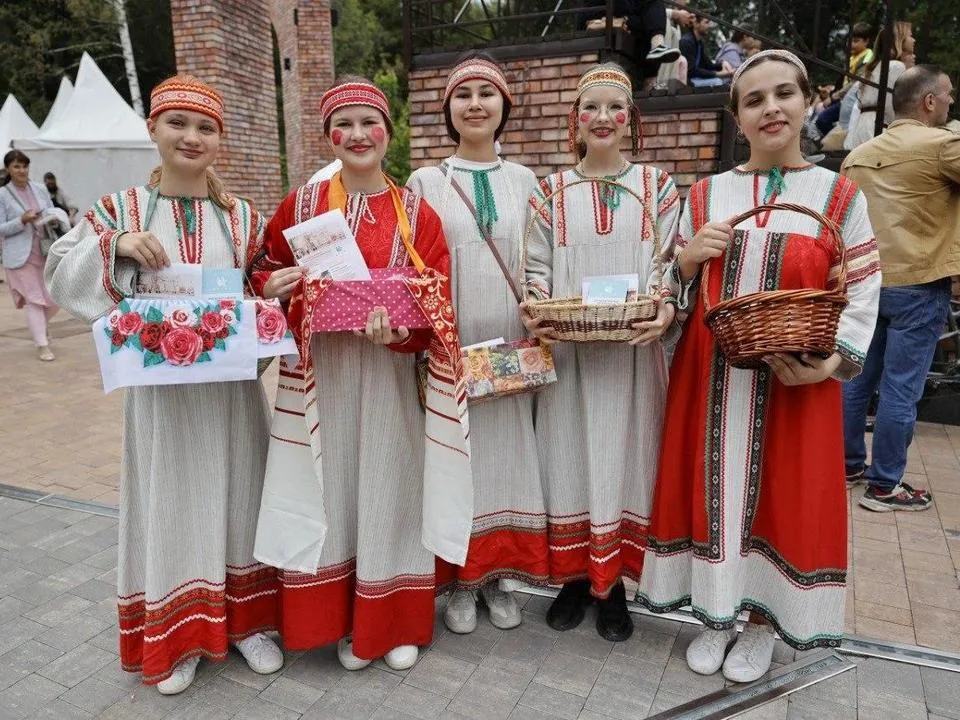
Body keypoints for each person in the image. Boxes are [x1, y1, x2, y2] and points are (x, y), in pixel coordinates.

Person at [637, 50, 880, 682]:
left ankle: (763, 625)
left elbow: (862, 290)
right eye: (754, 100)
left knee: (783, 498)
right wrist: (686, 260)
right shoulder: (703, 195)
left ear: (806, 101)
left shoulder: (839, 196)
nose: (771, 108)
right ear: (737, 117)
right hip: (711, 379)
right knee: (714, 491)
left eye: (783, 94)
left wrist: (830, 364)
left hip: (796, 383)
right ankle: (716, 615)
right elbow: (664, 292)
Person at [44, 75, 284, 694]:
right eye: (177, 123)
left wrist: (274, 291)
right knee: (171, 503)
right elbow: (59, 273)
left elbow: (261, 291)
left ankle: (248, 623)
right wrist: (117, 245)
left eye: (206, 127)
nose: (191, 136)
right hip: (160, 403)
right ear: (152, 129)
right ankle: (179, 635)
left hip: (231, 399)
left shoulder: (244, 219)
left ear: (220, 139)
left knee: (241, 495)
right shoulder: (119, 211)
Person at [250, 76, 471, 672]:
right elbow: (263, 269)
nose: (357, 135)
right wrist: (271, 286)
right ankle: (335, 622)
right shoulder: (300, 207)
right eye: (342, 125)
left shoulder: (418, 214)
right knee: (330, 491)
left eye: (369, 122)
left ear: (387, 132)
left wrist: (403, 335)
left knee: (390, 487)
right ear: (328, 136)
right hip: (321, 379)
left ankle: (391, 621)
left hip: (387, 380)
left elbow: (439, 299)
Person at [524, 63, 681, 642]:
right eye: (591, 107)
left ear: (631, 120)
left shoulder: (657, 187)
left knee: (626, 458)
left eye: (616, 107)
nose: (603, 118)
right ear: (575, 120)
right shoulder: (550, 192)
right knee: (567, 456)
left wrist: (663, 305)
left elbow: (669, 262)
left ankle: (613, 588)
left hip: (632, 355)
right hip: (570, 354)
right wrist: (538, 303)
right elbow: (535, 265)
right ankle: (572, 578)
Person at [405, 53, 550, 634]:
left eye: (486, 93)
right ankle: (462, 583)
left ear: (504, 106)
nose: (474, 104)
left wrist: (539, 305)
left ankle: (499, 576)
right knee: (455, 462)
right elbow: (414, 266)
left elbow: (538, 258)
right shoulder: (424, 182)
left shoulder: (526, 181)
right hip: (449, 349)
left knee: (507, 460)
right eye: (462, 95)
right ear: (447, 109)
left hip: (511, 349)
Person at [842, 65, 958, 512]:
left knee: (855, 380)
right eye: (948, 95)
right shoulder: (943, 146)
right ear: (929, 102)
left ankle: (846, 465)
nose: (951, 102)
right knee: (900, 390)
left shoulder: (859, 155)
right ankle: (885, 485)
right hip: (919, 283)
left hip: (867, 282)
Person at [1, 150, 61, 361]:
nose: (21, 170)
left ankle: (40, 328)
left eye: (24, 166)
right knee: (34, 300)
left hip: (45, 250)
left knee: (55, 299)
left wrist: (54, 218)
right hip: (20, 257)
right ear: (8, 169)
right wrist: (22, 220)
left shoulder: (40, 188)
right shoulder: (2, 194)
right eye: (16, 166)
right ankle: (42, 345)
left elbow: (53, 211)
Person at [844, 22, 912, 150]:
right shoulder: (896, 66)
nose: (913, 40)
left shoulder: (875, 67)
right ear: (900, 40)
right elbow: (889, 106)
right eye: (910, 35)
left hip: (861, 127)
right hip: (877, 129)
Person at [814, 21, 874, 137]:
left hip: (853, 99)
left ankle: (837, 140)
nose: (851, 44)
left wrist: (833, 97)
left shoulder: (867, 57)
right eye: (849, 40)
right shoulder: (852, 57)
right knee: (819, 111)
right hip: (844, 97)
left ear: (866, 41)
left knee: (822, 120)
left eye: (855, 41)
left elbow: (855, 82)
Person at [578, 1, 681, 65]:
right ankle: (650, 81)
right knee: (646, 22)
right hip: (599, 20)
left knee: (655, 5)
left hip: (622, 20)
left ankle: (658, 44)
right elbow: (621, 7)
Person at [679, 14, 734, 87]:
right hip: (687, 82)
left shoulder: (699, 43)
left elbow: (708, 65)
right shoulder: (686, 42)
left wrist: (722, 64)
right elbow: (691, 71)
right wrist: (718, 74)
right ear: (696, 24)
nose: (709, 26)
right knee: (717, 82)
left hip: (694, 79)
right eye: (706, 22)